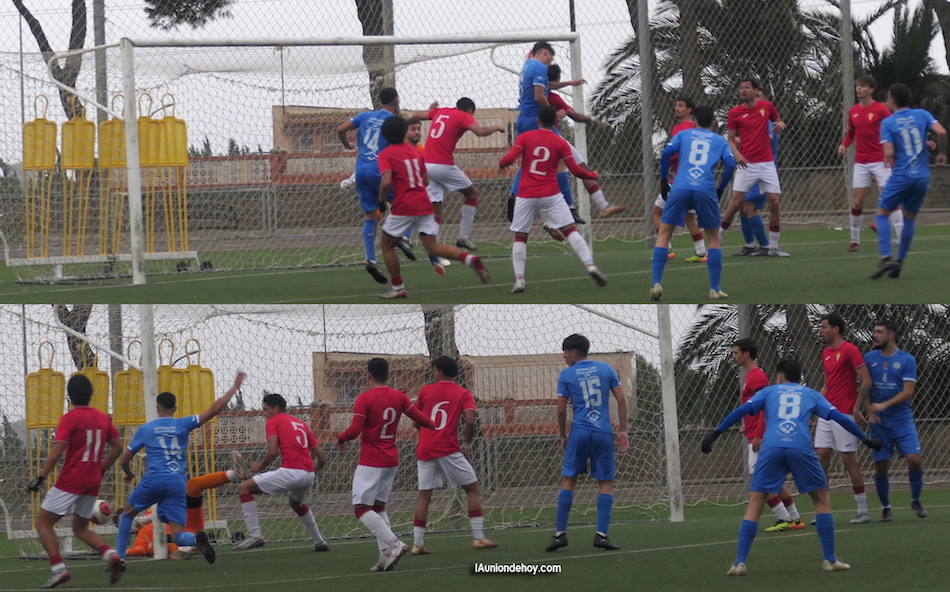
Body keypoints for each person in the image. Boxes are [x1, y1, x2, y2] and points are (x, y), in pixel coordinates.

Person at [701, 359, 883, 576]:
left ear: (779, 378)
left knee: (756, 503)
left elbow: (741, 411)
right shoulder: (811, 394)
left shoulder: (769, 392)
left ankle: (740, 563)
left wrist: (715, 434)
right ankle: (830, 560)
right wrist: (866, 439)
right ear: (800, 379)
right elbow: (838, 418)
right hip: (800, 447)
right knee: (821, 499)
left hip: (772, 447)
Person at [116, 371, 246, 567]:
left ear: (157, 408)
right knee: (178, 535)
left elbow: (124, 460)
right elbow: (214, 410)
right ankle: (195, 539)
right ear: (175, 408)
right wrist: (235, 386)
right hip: (177, 483)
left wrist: (129, 474)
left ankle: (119, 559)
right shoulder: (183, 424)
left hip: (154, 479)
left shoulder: (146, 429)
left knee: (127, 514)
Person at [337, 358, 436, 572]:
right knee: (378, 507)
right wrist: (433, 424)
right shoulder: (399, 397)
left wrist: (340, 438)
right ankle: (384, 557)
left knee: (361, 509)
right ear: (388, 375)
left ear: (368, 375)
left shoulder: (364, 398)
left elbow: (354, 431)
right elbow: (420, 418)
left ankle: (395, 544)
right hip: (391, 460)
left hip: (371, 461)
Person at [376, 116, 490, 299]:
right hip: (424, 203)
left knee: (387, 245)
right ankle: (469, 259)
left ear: (384, 135)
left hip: (404, 205)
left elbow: (386, 181)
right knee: (433, 247)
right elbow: (426, 180)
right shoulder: (416, 152)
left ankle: (398, 287)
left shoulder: (386, 154)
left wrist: (381, 200)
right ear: (404, 132)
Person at [26, 375, 124, 589]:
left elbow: (57, 452)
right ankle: (111, 556)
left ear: (69, 397)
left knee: (43, 523)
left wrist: (41, 478)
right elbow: (118, 446)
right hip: (92, 481)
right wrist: (102, 468)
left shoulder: (69, 418)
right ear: (91, 395)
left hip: (71, 480)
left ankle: (58, 569)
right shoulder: (102, 418)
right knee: (80, 529)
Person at [500, 105, 606, 293]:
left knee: (520, 237)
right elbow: (575, 170)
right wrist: (592, 175)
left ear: (538, 120)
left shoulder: (525, 138)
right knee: (571, 231)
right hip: (551, 194)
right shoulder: (560, 142)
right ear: (555, 121)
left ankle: (520, 281)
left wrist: (502, 163)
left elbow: (509, 159)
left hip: (526, 194)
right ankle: (590, 266)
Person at [546, 334, 629, 553]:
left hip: (580, 431)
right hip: (603, 432)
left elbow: (561, 410)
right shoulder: (606, 369)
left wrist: (563, 435)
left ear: (574, 352)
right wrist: (622, 430)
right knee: (606, 483)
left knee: (569, 480)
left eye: (565, 352)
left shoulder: (567, 374)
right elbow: (621, 399)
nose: (564, 357)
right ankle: (601, 535)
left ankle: (560, 535)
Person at [410, 356, 499, 554]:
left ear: (440, 372)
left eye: (434, 371)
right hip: (448, 449)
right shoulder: (463, 393)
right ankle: (479, 538)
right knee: (472, 489)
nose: (433, 374)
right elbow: (471, 420)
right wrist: (465, 445)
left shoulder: (425, 391)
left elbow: (415, 421)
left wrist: (427, 435)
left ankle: (418, 544)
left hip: (425, 449)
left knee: (424, 497)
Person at [651, 105, 736, 301]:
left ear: (694, 120)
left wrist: (663, 180)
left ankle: (656, 283)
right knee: (713, 238)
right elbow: (731, 164)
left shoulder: (684, 134)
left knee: (664, 233)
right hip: (705, 188)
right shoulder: (720, 140)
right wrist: (721, 189)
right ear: (713, 123)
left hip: (680, 186)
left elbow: (666, 153)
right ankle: (714, 288)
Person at [233, 393, 330, 552]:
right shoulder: (301, 424)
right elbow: (322, 459)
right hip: (308, 475)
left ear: (276, 409)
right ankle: (320, 542)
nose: (263, 413)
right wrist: (310, 473)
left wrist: (259, 468)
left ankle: (255, 536)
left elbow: (273, 452)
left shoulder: (273, 421)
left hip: (292, 472)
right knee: (295, 504)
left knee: (243, 488)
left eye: (265, 409)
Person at [869, 83, 947, 279]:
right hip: (922, 176)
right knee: (910, 217)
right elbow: (941, 132)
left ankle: (886, 258)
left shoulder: (888, 122)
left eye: (888, 97)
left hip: (902, 175)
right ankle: (900, 262)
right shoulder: (922, 114)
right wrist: (942, 153)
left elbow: (889, 152)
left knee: (882, 213)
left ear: (893, 100)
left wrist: (888, 154)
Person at [407, 98, 505, 251]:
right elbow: (479, 132)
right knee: (472, 193)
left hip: (426, 165)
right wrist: (497, 127)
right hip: (442, 165)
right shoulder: (464, 116)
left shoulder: (441, 111)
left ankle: (434, 247)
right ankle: (463, 237)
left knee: (436, 207)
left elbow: (415, 115)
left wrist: (430, 110)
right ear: (470, 111)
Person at [730, 339, 803, 532]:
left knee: (759, 479)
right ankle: (795, 518)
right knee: (773, 480)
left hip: (759, 435)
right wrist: (746, 424)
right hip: (754, 431)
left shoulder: (757, 376)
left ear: (746, 354)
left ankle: (784, 518)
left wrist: (759, 434)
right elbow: (753, 406)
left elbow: (765, 406)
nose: (734, 356)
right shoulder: (750, 376)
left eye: (736, 352)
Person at [860, 320, 927, 521]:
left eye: (879, 332)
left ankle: (916, 499)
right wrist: (869, 409)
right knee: (881, 465)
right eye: (874, 332)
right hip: (879, 422)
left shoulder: (907, 360)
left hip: (902, 418)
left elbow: (908, 392)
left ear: (891, 335)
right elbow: (865, 386)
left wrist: (884, 405)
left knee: (914, 458)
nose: (875, 335)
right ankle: (886, 507)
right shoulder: (869, 358)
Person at [336, 87, 401, 284]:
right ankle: (403, 238)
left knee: (370, 215)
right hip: (379, 169)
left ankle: (370, 259)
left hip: (361, 170)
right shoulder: (392, 121)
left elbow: (340, 129)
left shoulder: (365, 116)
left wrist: (347, 145)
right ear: (396, 100)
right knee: (403, 201)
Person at [544, 64, 624, 224]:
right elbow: (576, 116)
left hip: (545, 139)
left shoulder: (536, 95)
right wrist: (592, 119)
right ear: (557, 79)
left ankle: (603, 206)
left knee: (579, 169)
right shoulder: (553, 98)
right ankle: (558, 217)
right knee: (567, 172)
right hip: (552, 139)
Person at [509, 42, 584, 204]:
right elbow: (539, 96)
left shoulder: (527, 65)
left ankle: (513, 196)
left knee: (527, 162)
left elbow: (546, 86)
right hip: (535, 120)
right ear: (545, 53)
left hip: (523, 118)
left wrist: (570, 83)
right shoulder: (541, 67)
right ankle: (569, 205)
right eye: (550, 59)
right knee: (561, 156)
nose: (550, 63)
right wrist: (552, 113)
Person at [721, 78, 789, 257]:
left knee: (774, 202)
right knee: (736, 204)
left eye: (747, 87)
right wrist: (737, 153)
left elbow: (778, 122)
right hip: (747, 164)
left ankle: (772, 247)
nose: (743, 90)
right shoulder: (735, 112)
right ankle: (715, 244)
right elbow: (731, 139)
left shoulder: (766, 107)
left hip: (767, 164)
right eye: (741, 88)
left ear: (756, 91)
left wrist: (781, 125)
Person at [816, 313, 873, 524]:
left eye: (824, 327)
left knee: (848, 460)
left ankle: (863, 510)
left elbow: (866, 380)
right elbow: (828, 383)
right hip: (826, 412)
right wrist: (815, 404)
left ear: (836, 329)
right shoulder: (826, 353)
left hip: (844, 414)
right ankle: (824, 510)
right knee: (821, 458)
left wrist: (857, 408)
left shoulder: (850, 350)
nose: (821, 331)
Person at [838, 75, 903, 252]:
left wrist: (890, 153)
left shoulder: (881, 110)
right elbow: (851, 134)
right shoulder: (853, 111)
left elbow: (894, 130)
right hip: (861, 162)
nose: (859, 89)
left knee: (890, 197)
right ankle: (855, 241)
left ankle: (901, 238)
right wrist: (844, 145)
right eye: (858, 86)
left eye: (863, 86)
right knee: (857, 202)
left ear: (871, 90)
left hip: (881, 161)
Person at [651, 96, 708, 262]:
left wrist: (667, 163)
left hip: (679, 180)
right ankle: (701, 252)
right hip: (696, 179)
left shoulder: (680, 129)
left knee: (656, 212)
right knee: (689, 217)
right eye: (676, 106)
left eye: (681, 106)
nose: (677, 108)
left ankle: (666, 249)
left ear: (690, 110)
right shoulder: (697, 128)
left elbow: (676, 152)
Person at [733, 88, 780, 257]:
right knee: (742, 207)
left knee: (749, 206)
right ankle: (750, 244)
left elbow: (761, 140)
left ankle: (766, 245)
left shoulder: (766, 121)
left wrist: (735, 141)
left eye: (759, 97)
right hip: (749, 166)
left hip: (762, 166)